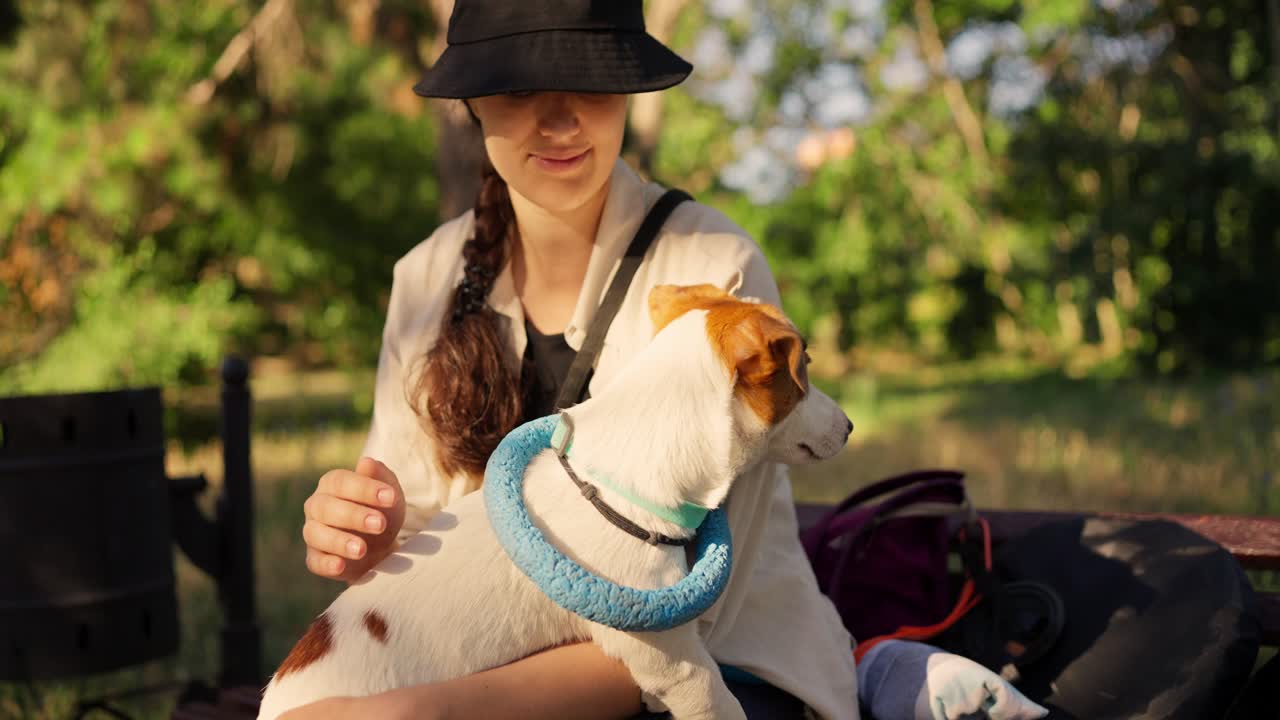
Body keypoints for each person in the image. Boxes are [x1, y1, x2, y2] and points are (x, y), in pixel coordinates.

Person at [286, 2, 1049, 719]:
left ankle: (873, 673)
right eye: (520, 88)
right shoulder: (426, 279)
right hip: (484, 671)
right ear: (472, 102)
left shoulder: (714, 274)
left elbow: (681, 619)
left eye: (592, 81)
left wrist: (429, 709)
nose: (562, 119)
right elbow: (417, 554)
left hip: (715, 674)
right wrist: (370, 537)